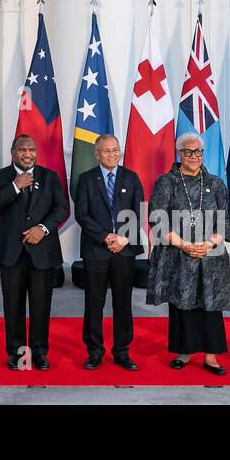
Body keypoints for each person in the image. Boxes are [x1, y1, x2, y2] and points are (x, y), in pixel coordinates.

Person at [146, 132, 230, 375]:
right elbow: (157, 219)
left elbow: (224, 220)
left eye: (198, 152)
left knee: (210, 305)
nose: (194, 156)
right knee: (182, 305)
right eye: (188, 151)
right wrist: (184, 245)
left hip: (210, 255)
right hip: (178, 254)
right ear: (179, 154)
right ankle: (183, 352)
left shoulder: (216, 183)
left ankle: (211, 357)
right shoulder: (167, 182)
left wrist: (208, 244)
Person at [0, 133, 69, 370]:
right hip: (11, 252)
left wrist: (43, 228)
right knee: (13, 305)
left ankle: (40, 353)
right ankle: (16, 353)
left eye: (31, 149)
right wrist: (15, 186)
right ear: (13, 153)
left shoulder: (49, 177)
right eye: (22, 150)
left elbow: (62, 208)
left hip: (42, 251)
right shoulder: (0, 177)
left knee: (41, 305)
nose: (28, 154)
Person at [72, 134, 143, 371]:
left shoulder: (131, 178)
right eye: (107, 151)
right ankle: (94, 351)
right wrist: (106, 237)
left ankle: (122, 352)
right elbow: (81, 214)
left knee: (123, 303)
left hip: (124, 250)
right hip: (96, 250)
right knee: (94, 303)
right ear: (97, 154)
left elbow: (138, 212)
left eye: (115, 150)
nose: (112, 155)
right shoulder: (86, 179)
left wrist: (122, 239)